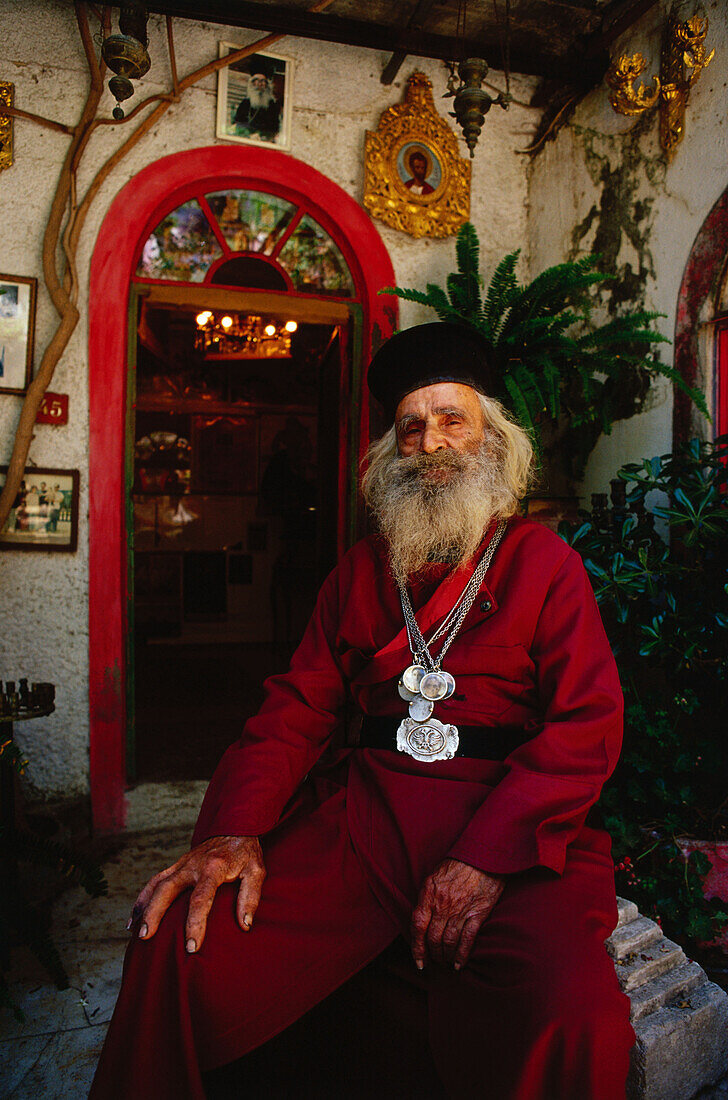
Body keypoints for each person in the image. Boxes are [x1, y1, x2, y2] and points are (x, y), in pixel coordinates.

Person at [90, 322, 634, 1099]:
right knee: (178, 946)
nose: (433, 442)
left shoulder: (546, 564)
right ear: (391, 453)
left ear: (491, 441)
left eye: (454, 419)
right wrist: (229, 828)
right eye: (411, 427)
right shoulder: (358, 574)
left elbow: (587, 724)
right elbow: (295, 709)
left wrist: (485, 856)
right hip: (367, 819)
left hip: (509, 831)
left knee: (571, 1016)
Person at [233, 65, 282, 141]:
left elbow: (275, 128)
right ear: (252, 84)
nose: (260, 84)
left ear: (266, 86)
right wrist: (249, 135)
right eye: (257, 80)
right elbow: (238, 123)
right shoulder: (245, 103)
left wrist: (261, 136)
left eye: (263, 81)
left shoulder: (272, 105)